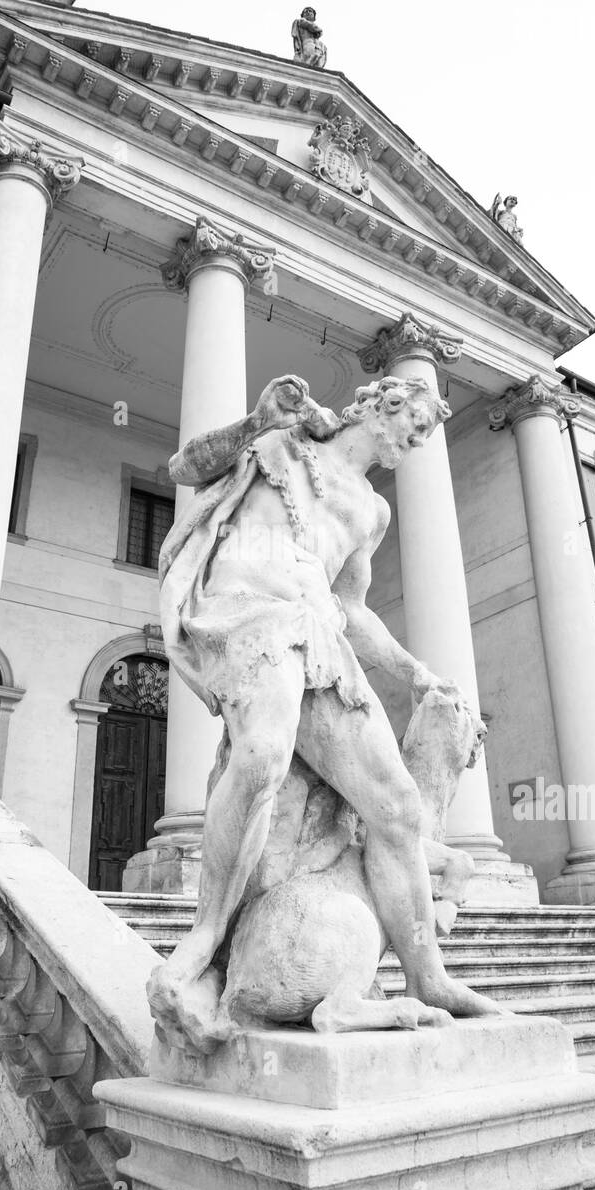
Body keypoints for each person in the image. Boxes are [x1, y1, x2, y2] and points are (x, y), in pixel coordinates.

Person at [149, 373, 501, 1044]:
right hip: (245, 611)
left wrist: (417, 673)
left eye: (427, 432)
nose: (419, 438)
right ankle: (200, 944)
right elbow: (185, 466)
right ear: (378, 406)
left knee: (396, 806)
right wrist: (254, 420)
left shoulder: (372, 509)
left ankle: (429, 974)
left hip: (319, 634)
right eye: (415, 422)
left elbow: (355, 610)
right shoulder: (280, 446)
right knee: (260, 757)